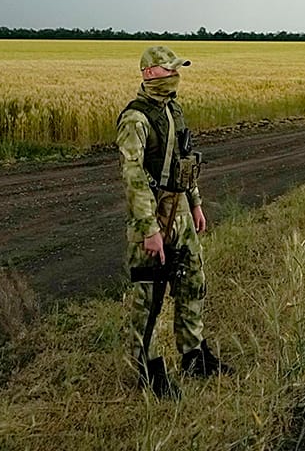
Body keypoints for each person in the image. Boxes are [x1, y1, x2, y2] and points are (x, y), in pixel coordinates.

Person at [118, 45, 232, 398]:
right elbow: (133, 176)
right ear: (150, 74)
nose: (175, 75)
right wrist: (149, 229)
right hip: (153, 218)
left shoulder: (175, 110)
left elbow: (185, 162)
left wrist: (195, 203)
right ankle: (148, 370)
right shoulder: (136, 119)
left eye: (177, 69)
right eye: (169, 70)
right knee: (148, 298)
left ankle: (194, 356)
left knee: (193, 282)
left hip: (181, 212)